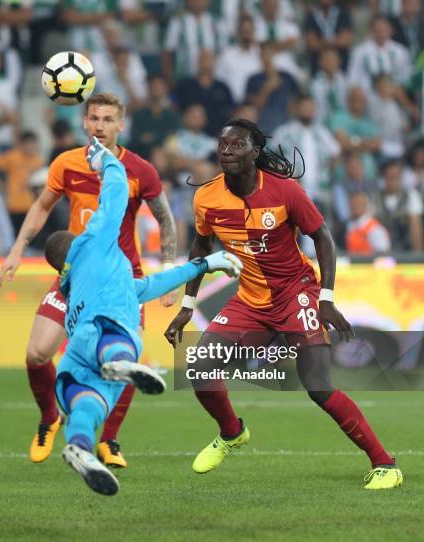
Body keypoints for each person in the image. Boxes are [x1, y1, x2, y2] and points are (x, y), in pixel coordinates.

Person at [164, 118, 403, 490]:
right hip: (251, 300)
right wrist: (187, 304)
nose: (227, 150)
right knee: (200, 366)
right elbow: (201, 249)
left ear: (254, 153)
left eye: (237, 144)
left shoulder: (284, 191)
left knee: (319, 386)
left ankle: (385, 464)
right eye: (222, 144)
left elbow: (323, 238)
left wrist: (326, 298)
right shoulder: (206, 197)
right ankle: (232, 433)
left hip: (296, 293)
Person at [46, 137, 242, 495]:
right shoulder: (92, 242)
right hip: (103, 333)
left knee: (88, 409)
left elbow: (151, 285)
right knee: (123, 334)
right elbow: (118, 190)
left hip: (73, 364)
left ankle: (79, 448)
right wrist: (105, 160)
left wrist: (205, 263)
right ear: (74, 240)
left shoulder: (74, 284)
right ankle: (119, 362)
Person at [0, 93, 177, 469]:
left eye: (109, 119)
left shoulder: (140, 170)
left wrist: (170, 267)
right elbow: (43, 205)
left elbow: (164, 218)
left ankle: (108, 440)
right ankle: (50, 418)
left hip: (123, 280)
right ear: (84, 122)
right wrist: (17, 248)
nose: (100, 126)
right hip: (75, 277)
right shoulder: (67, 163)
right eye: (94, 118)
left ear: (121, 125)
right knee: (36, 353)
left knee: (127, 360)